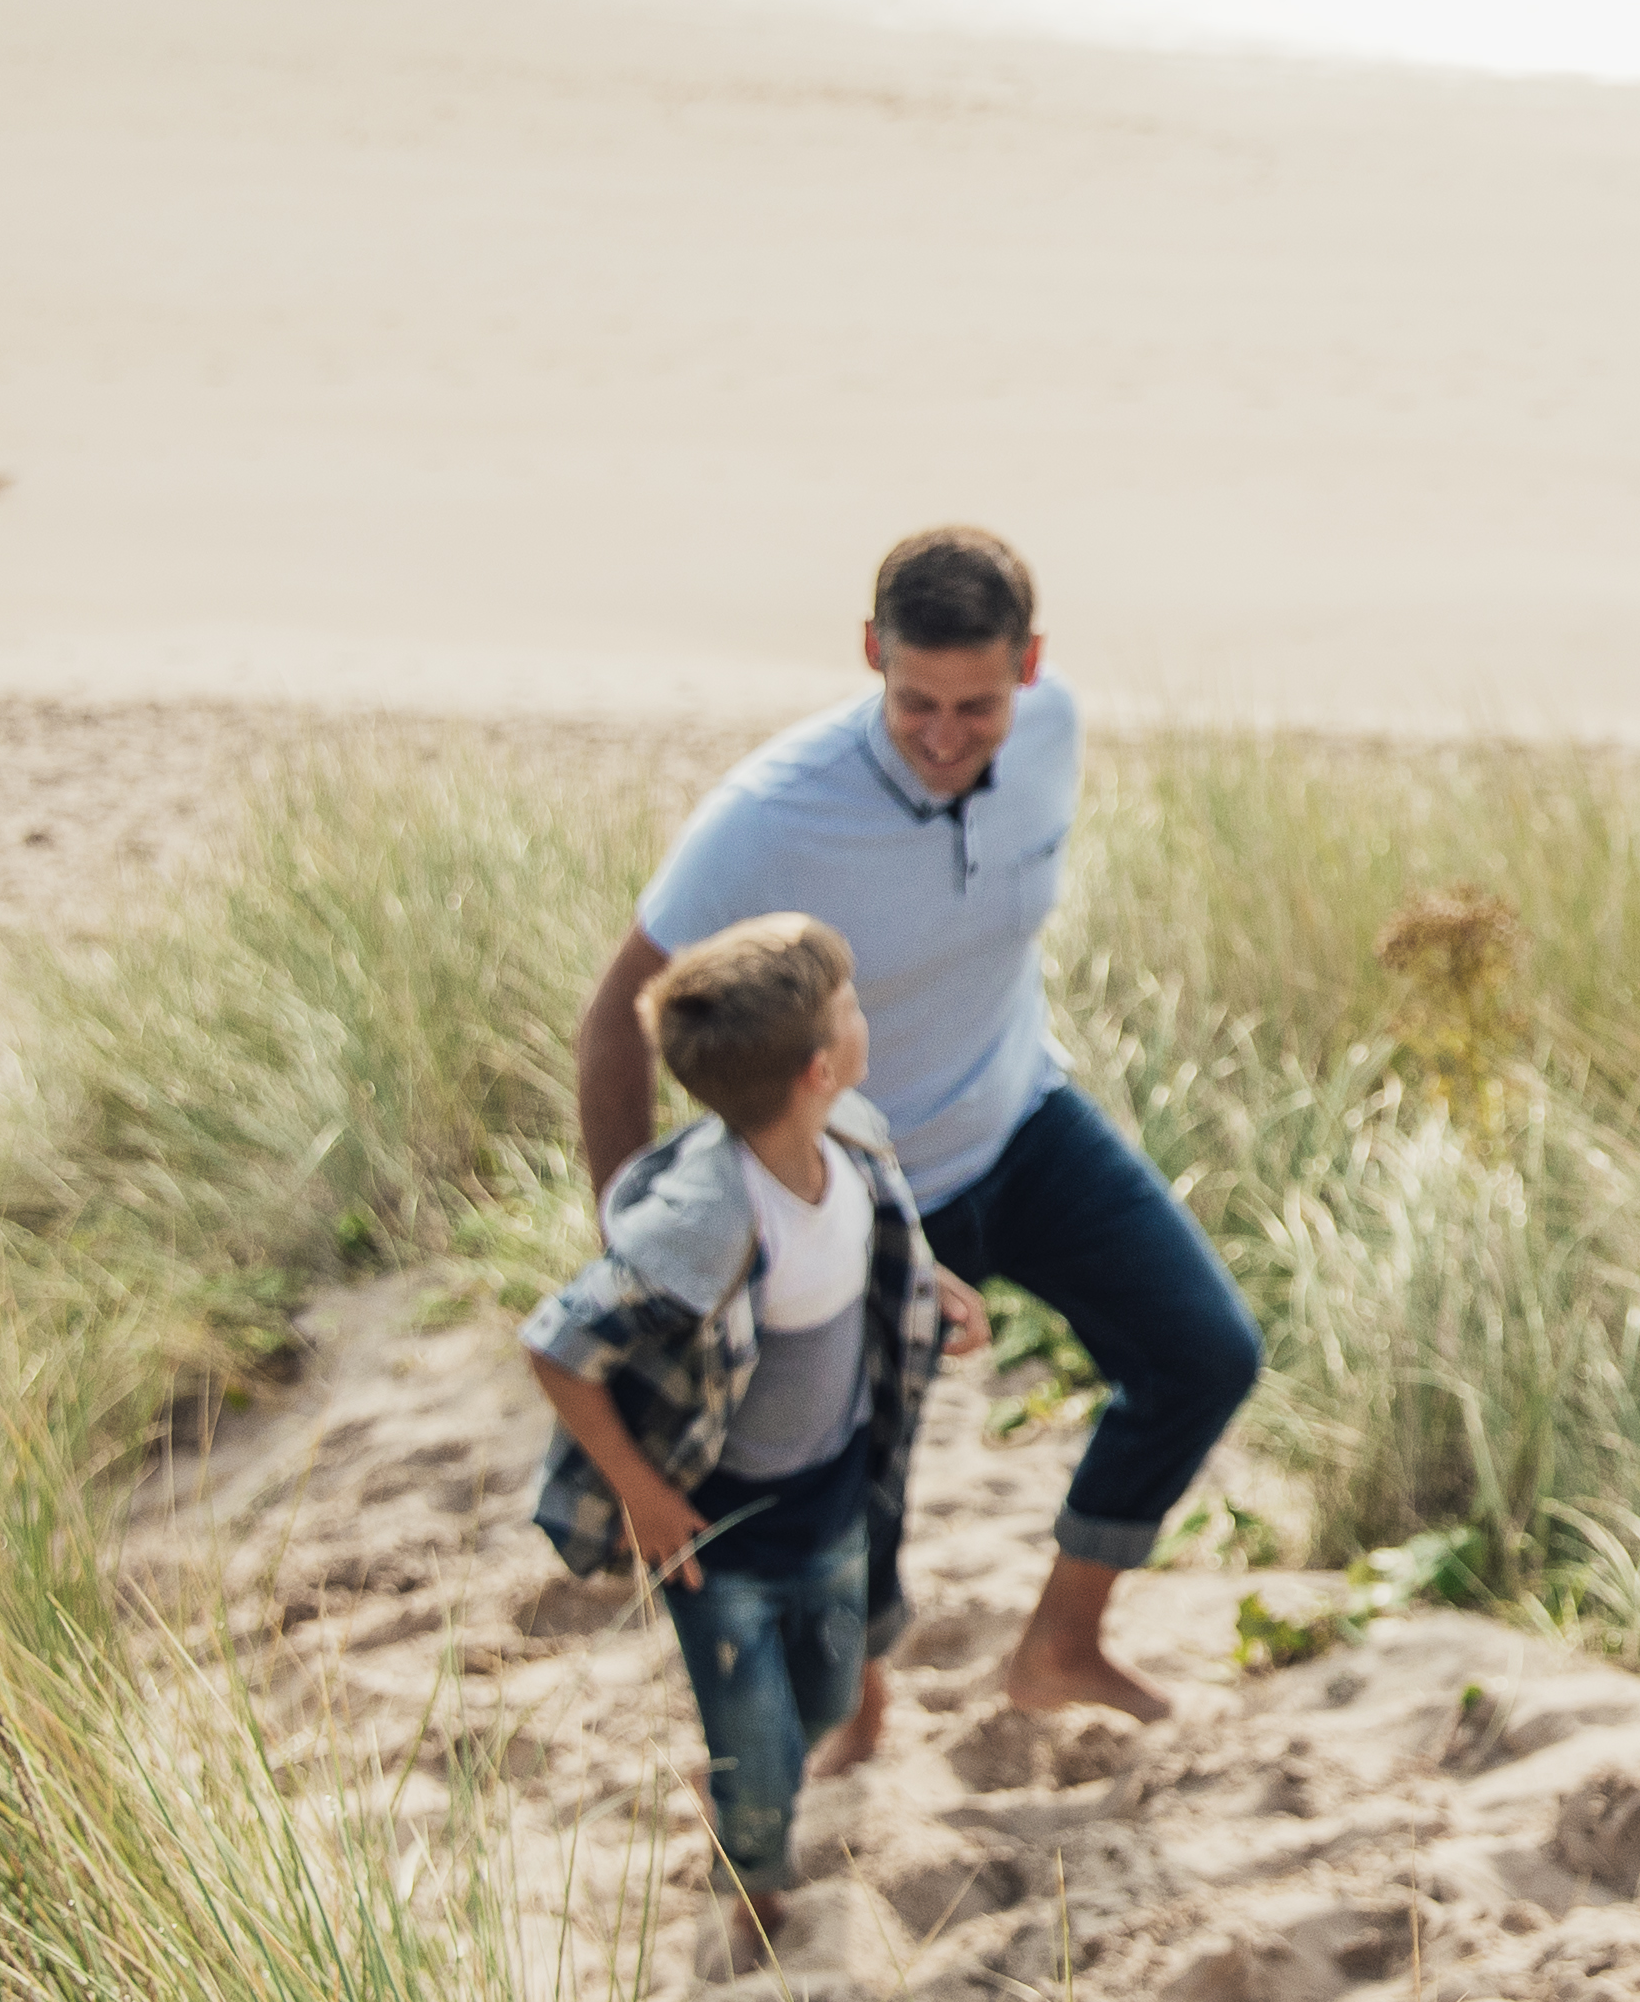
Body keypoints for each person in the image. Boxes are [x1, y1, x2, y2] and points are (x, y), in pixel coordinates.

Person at [574, 526, 1261, 1736]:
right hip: (859, 1186)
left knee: (1204, 1353)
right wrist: (648, 1247)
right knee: (847, 1490)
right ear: (869, 656)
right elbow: (614, 1022)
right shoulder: (769, 819)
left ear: (1031, 667)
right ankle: (853, 1690)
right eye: (914, 703)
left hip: (1024, 1119)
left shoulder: (1053, 733)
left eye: (977, 705)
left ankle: (1061, 1642)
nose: (945, 738)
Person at [521, 913, 981, 1915]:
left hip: (832, 1491)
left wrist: (931, 1285)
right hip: (716, 1531)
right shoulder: (706, 1222)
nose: (866, 1016)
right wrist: (640, 1490)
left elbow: (868, 1234)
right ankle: (755, 1880)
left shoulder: (848, 1136)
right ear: (818, 1066)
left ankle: (750, 1784)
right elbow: (556, 1343)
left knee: (824, 1696)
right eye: (851, 1008)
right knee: (760, 1737)